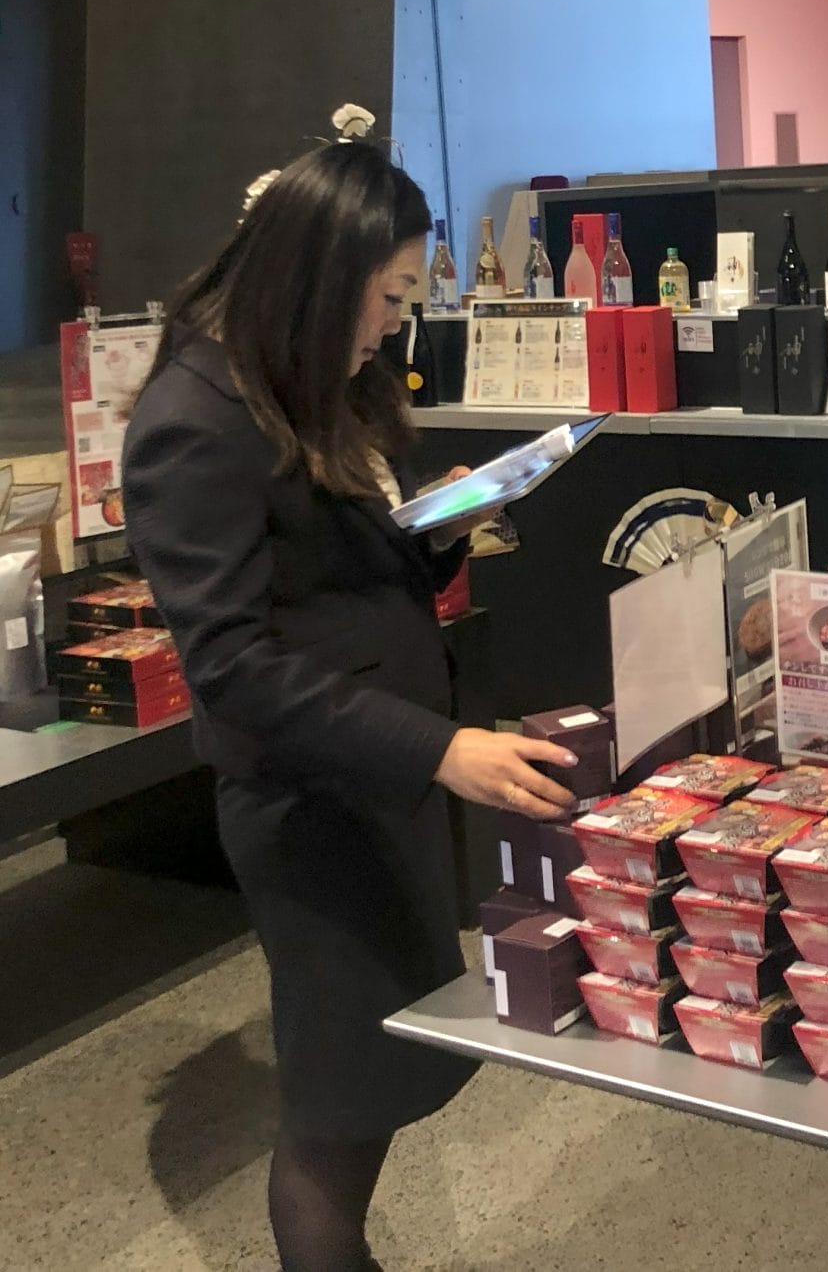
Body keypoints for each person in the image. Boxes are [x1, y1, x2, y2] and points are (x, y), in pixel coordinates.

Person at [123, 134, 579, 1271]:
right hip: (311, 803)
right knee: (337, 1106)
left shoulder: (298, 380)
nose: (390, 326)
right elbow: (233, 663)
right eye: (387, 298)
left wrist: (444, 528)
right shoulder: (193, 417)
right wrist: (439, 750)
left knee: (368, 1086)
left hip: (371, 781)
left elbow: (328, 576)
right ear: (320, 276)